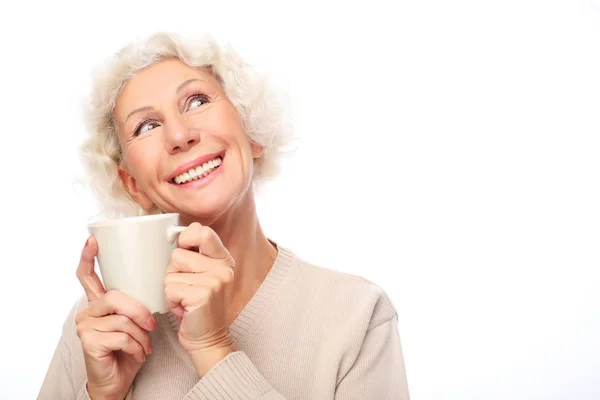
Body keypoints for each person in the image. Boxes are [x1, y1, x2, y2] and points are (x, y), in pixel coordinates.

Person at [38, 32, 410, 400]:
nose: (180, 135)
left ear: (252, 131)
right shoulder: (101, 325)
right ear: (131, 183)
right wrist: (102, 395)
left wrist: (213, 350)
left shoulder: (358, 315)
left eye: (197, 101)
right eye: (146, 126)